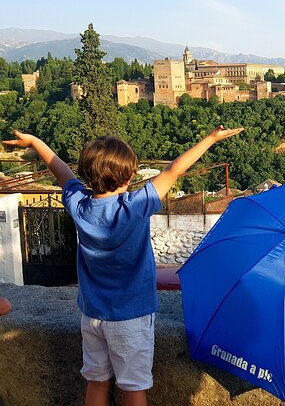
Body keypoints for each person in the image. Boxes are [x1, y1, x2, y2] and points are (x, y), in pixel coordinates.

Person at [3, 126, 243, 406]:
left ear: (88, 176)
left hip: (92, 315)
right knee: (133, 388)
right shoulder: (134, 206)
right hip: (131, 317)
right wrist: (211, 139)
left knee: (96, 382)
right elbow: (174, 170)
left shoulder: (79, 205)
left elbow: (59, 170)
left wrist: (34, 141)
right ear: (129, 177)